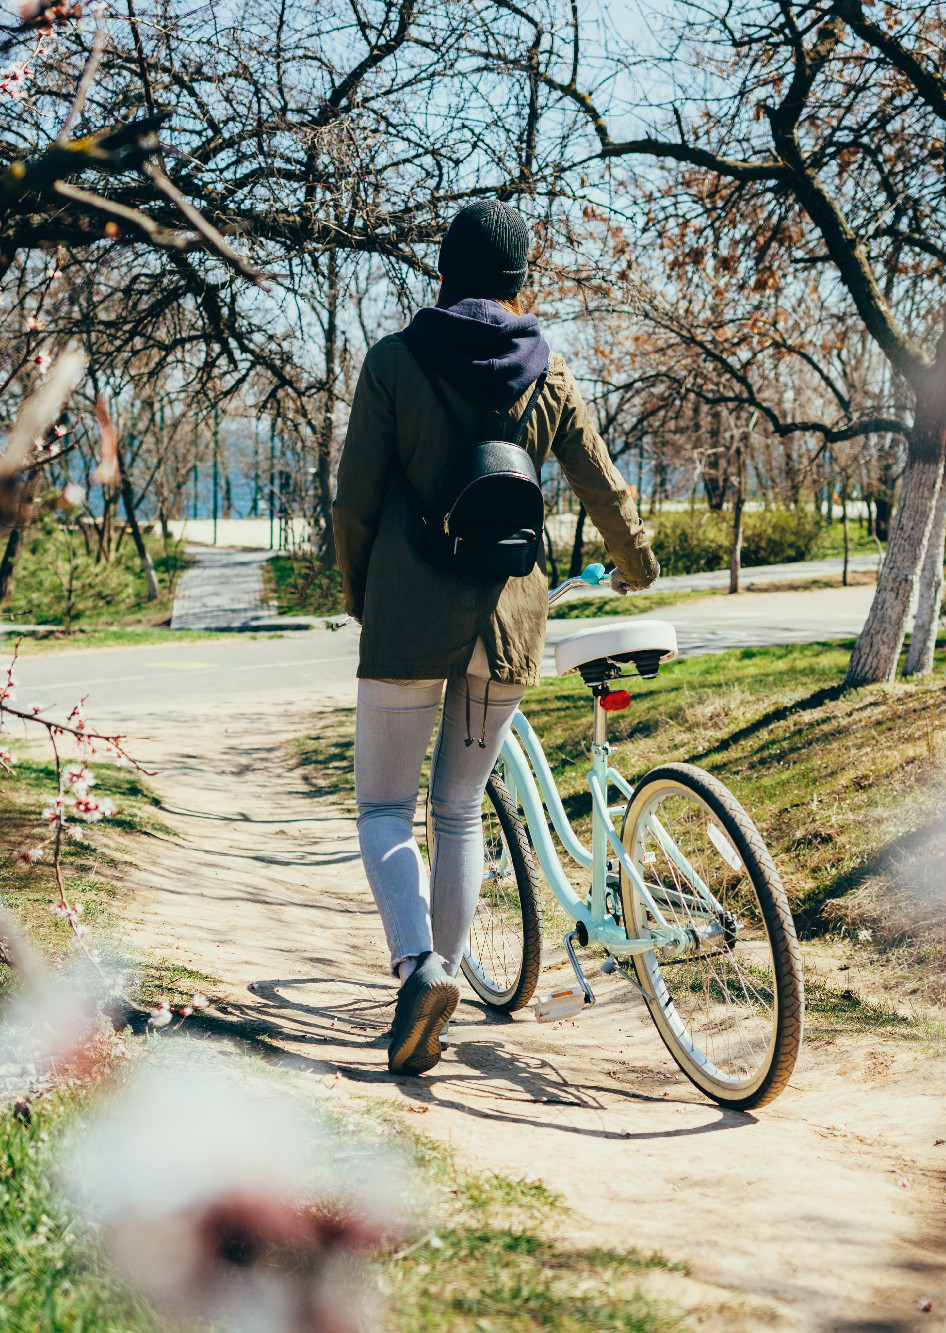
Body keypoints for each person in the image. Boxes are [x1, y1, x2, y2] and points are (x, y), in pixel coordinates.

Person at [332, 200, 660, 1076]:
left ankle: (421, 971)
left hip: (409, 616)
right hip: (509, 621)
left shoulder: (395, 362)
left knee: (382, 808)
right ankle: (433, 999)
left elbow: (355, 502)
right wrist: (637, 563)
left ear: (445, 269)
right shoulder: (548, 372)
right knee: (460, 808)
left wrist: (363, 597)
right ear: (520, 281)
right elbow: (601, 481)